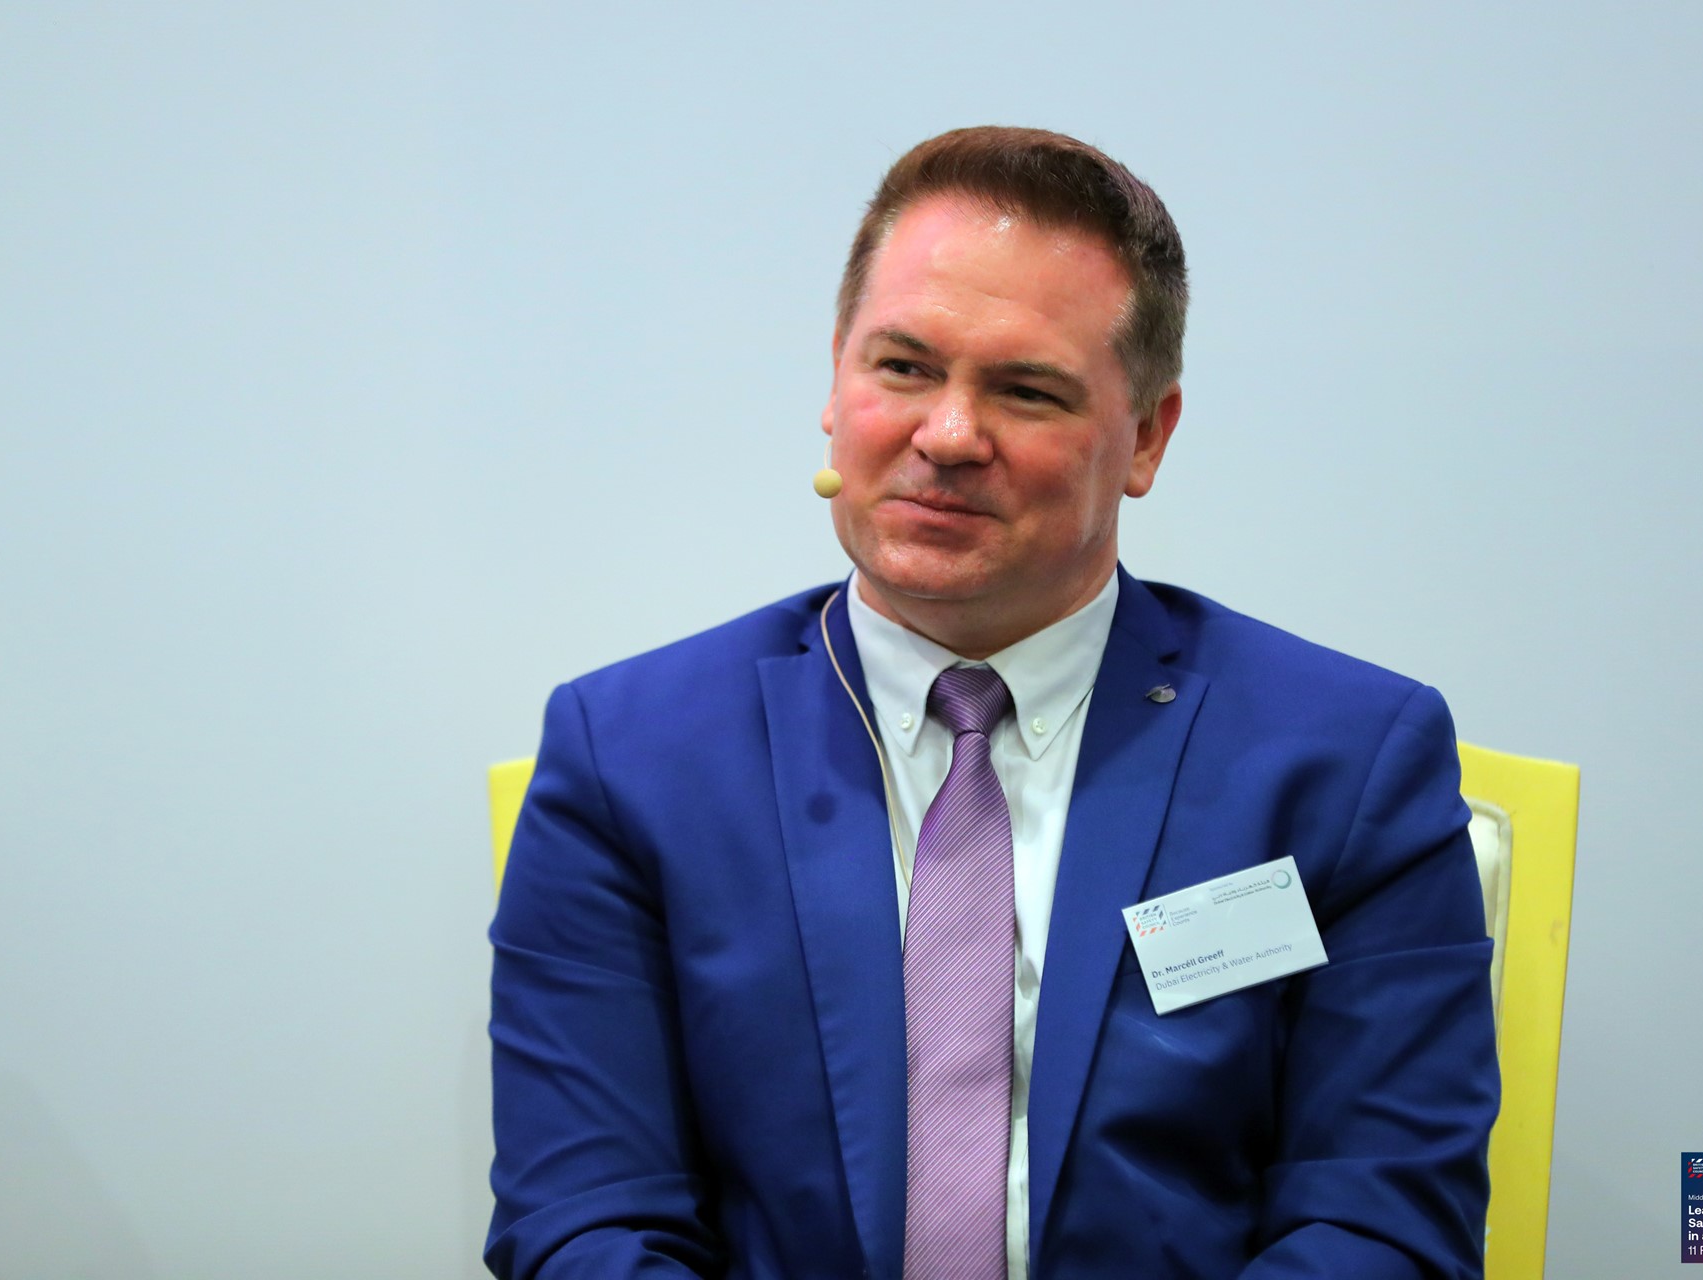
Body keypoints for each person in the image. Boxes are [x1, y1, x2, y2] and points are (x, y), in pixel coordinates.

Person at [486, 126, 1499, 1280]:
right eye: (903, 367)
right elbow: (588, 1219)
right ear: (835, 382)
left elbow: (1379, 1223)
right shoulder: (629, 757)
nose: (949, 435)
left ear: (1147, 436)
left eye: (1025, 389)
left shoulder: (1345, 762)